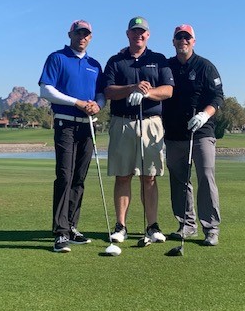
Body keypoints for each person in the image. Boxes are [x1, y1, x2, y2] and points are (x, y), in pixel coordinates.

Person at [102, 16, 174, 244]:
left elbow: (168, 90)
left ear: (148, 35)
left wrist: (146, 93)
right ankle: (120, 226)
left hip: (151, 123)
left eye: (142, 32)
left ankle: (152, 226)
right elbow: (108, 91)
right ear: (128, 34)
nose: (138, 35)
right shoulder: (116, 61)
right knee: (123, 176)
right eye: (134, 31)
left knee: (149, 177)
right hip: (123, 122)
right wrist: (132, 88)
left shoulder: (158, 59)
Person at [38, 20, 105, 253]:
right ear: (70, 34)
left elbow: (101, 94)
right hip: (65, 124)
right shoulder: (57, 58)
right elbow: (46, 90)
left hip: (88, 126)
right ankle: (60, 232)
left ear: (90, 37)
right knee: (65, 176)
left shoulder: (94, 65)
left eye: (86, 34)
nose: (82, 37)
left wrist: (98, 105)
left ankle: (72, 226)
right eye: (78, 33)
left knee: (79, 178)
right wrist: (76, 102)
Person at [162, 24, 224, 246]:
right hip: (174, 134)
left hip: (201, 133)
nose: (183, 41)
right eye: (179, 37)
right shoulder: (167, 66)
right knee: (179, 181)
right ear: (173, 41)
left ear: (193, 41)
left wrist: (205, 115)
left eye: (187, 37)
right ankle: (186, 225)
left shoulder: (205, 66)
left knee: (205, 177)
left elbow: (218, 97)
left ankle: (211, 228)